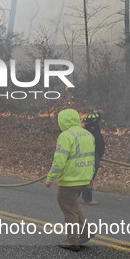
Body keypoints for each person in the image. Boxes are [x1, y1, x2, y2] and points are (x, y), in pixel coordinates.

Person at [44, 108, 96, 251]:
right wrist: (90, 177)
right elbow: (91, 158)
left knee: (67, 207)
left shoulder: (65, 136)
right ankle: (85, 231)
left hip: (70, 179)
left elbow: (59, 161)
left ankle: (73, 239)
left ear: (62, 121)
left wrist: (50, 179)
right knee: (72, 204)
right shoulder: (88, 134)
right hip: (83, 178)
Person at [81, 112, 105, 205]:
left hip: (84, 156)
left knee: (84, 177)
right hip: (94, 156)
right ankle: (88, 199)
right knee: (89, 178)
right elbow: (100, 146)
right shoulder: (95, 133)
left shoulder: (84, 132)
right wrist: (98, 156)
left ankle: (77, 196)